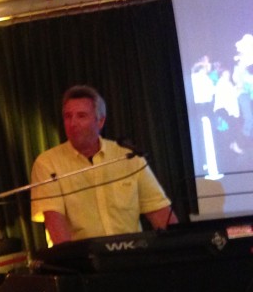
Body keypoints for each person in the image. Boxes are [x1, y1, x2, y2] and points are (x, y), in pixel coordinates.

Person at [30, 84, 175, 245]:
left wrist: (178, 249)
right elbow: (56, 226)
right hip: (81, 258)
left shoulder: (128, 157)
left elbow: (160, 213)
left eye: (81, 116)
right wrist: (71, 259)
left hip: (132, 255)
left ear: (100, 121)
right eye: (68, 116)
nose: (73, 123)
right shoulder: (48, 163)